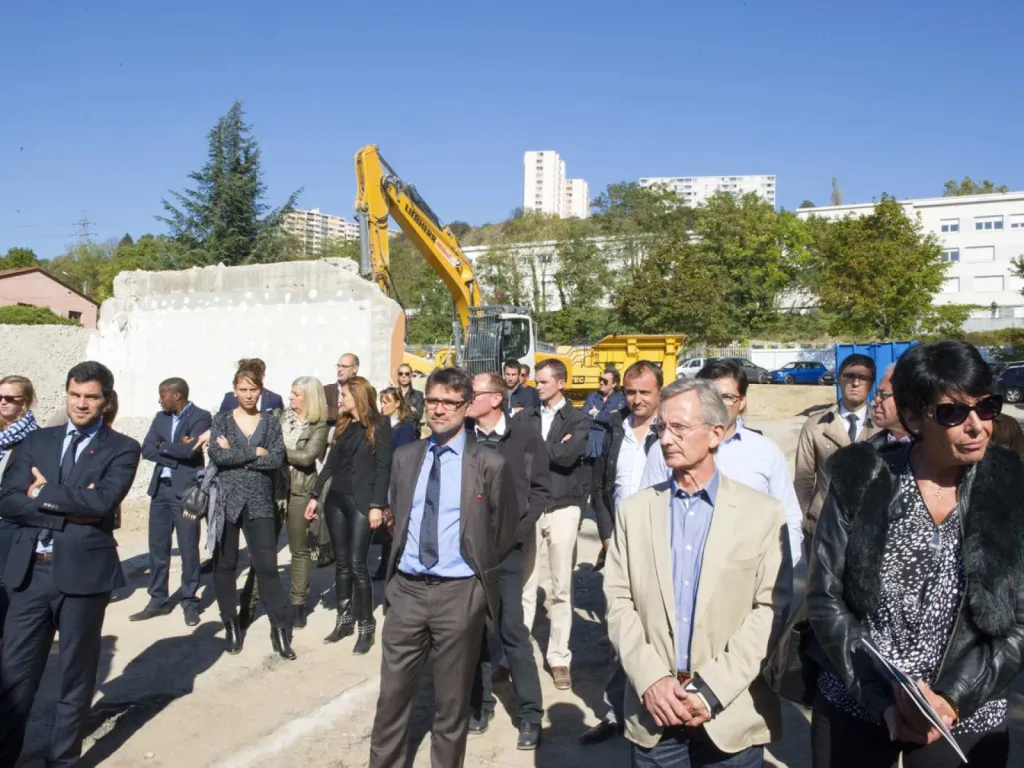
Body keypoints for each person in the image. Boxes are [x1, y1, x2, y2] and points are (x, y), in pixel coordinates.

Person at [807, 341, 1023, 767]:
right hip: (859, 702)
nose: (976, 425)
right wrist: (880, 698)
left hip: (967, 711)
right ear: (912, 417)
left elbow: (1019, 619)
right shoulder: (862, 475)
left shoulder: (1009, 486)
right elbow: (823, 598)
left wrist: (950, 700)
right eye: (953, 412)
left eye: (986, 407)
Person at [604, 378, 792, 768]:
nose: (667, 439)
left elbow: (769, 610)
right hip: (654, 709)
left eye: (680, 428)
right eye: (661, 428)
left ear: (715, 434)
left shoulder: (762, 514)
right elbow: (618, 602)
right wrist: (651, 679)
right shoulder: (635, 513)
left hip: (731, 710)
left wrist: (711, 691)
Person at [368, 367, 519, 768]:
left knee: (450, 710)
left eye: (449, 402)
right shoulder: (406, 457)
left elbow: (502, 532)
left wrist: (471, 579)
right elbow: (399, 517)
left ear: (467, 406)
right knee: (391, 703)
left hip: (459, 594)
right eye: (433, 400)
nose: (439, 409)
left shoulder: (489, 462)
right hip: (408, 592)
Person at [0, 361, 142, 767]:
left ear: (105, 400)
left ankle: (61, 761)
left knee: (75, 679)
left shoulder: (123, 448)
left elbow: (102, 503)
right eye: (75, 395)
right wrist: (66, 506)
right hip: (29, 573)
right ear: (66, 394)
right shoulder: (36, 441)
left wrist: (42, 492)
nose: (81, 404)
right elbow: (7, 498)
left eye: (91, 397)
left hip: (83, 576)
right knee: (13, 676)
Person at [641, 359, 804, 574]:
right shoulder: (666, 450)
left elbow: (789, 519)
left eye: (727, 397)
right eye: (711, 396)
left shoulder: (765, 452)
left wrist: (779, 576)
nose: (718, 403)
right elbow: (645, 516)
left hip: (748, 576)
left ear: (742, 401)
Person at [466, 372, 551, 750]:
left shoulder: (525, 435)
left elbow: (540, 489)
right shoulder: (462, 436)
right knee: (474, 631)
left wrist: (519, 531)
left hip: (509, 550)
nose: (466, 399)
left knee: (513, 630)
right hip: (468, 553)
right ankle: (479, 706)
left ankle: (531, 715)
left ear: (496, 399)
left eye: (473, 393)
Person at [583, 360, 663, 746]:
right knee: (620, 631)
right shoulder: (613, 428)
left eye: (644, 392)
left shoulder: (670, 431)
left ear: (659, 393)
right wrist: (607, 535)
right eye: (630, 392)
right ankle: (616, 713)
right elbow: (598, 490)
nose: (637, 400)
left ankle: (660, 708)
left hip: (661, 543)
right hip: (619, 544)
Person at [207, 362, 293, 659]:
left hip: (260, 500)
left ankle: (279, 629)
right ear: (234, 390)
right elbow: (217, 455)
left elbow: (277, 459)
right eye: (242, 389)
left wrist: (236, 454)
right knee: (226, 565)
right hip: (226, 501)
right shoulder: (221, 419)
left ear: (261, 390)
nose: (247, 395)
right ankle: (231, 626)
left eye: (252, 390)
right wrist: (255, 452)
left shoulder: (270, 422)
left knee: (267, 566)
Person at [307, 375, 392, 654]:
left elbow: (383, 468)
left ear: (358, 396)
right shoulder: (342, 426)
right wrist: (314, 496)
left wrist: (377, 505)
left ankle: (366, 626)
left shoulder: (380, 424)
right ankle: (344, 621)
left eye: (343, 395)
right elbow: (329, 466)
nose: (339, 399)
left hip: (362, 503)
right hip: (336, 502)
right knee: (341, 564)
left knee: (357, 564)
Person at [520, 359, 589, 690]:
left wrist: (538, 450)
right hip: (532, 505)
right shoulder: (527, 416)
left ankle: (559, 657)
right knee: (525, 582)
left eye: (544, 381)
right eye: (537, 381)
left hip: (564, 506)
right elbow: (519, 454)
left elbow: (568, 456)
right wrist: (550, 449)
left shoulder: (578, 417)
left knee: (561, 586)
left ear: (561, 383)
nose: (538, 386)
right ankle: (517, 653)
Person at [132, 377, 212, 626]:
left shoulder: (201, 416)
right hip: (160, 493)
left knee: (189, 549)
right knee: (158, 549)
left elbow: (192, 452)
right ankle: (158, 600)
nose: (159, 399)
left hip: (186, 493)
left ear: (176, 395)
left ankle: (189, 601)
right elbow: (147, 449)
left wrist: (165, 447)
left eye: (162, 395)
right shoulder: (160, 418)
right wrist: (176, 448)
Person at [794, 353, 877, 548]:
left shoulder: (882, 426)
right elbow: (803, 478)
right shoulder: (816, 425)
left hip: (869, 528)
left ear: (871, 383)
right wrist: (806, 520)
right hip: (823, 527)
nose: (855, 383)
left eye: (863, 378)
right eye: (849, 376)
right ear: (839, 379)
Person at [278, 376, 329, 630]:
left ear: (309, 397)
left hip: (300, 490)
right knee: (263, 549)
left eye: (296, 394)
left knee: (299, 550)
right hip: (274, 488)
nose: (291, 398)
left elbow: (308, 457)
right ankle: (252, 601)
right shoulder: (281, 417)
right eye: (291, 393)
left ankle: (298, 604)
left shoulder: (319, 425)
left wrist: (275, 452)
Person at [0, 375, 39, 643]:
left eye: (10, 398)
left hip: (11, 525)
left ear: (23, 403)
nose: (2, 402)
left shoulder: (34, 440)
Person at [375, 387, 419, 580]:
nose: (383, 406)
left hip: (395, 478)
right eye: (381, 402)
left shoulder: (405, 426)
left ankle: (392, 565)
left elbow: (402, 454)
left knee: (392, 522)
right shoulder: (381, 423)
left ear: (397, 403)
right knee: (385, 525)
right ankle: (385, 564)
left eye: (386, 402)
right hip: (381, 475)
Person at [584, 367, 627, 460]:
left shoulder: (621, 400)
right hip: (589, 447)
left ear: (614, 384)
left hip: (607, 447)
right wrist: (605, 416)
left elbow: (614, 420)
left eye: (605, 381)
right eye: (600, 379)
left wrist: (595, 414)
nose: (601, 383)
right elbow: (584, 417)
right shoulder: (592, 396)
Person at [217, 358, 284, 413]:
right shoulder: (229, 398)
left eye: (255, 375)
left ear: (262, 376)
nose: (248, 396)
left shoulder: (274, 399)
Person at [868, 365, 911, 447]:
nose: (873, 403)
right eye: (876, 394)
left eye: (883, 395)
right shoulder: (869, 450)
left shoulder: (933, 445)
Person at [325, 352, 360, 424]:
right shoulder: (326, 391)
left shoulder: (364, 390)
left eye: (344, 366)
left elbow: (365, 413)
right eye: (338, 366)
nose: (339, 369)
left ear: (354, 369)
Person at [396, 363, 425, 431]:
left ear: (411, 376)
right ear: (398, 376)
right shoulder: (393, 393)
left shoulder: (418, 394)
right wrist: (410, 408)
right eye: (401, 373)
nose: (404, 376)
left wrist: (401, 409)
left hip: (412, 431)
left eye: (407, 374)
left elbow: (419, 416)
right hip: (395, 430)